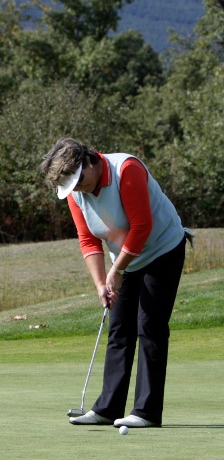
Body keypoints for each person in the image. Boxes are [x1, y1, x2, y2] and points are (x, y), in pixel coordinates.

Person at [40, 137, 191, 429]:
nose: (78, 188)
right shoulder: (75, 193)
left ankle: (146, 412)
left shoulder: (126, 170)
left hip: (163, 249)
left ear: (89, 163)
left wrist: (117, 269)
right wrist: (101, 283)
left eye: (79, 180)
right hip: (127, 256)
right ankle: (108, 408)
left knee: (149, 325)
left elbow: (142, 226)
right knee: (120, 327)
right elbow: (88, 239)